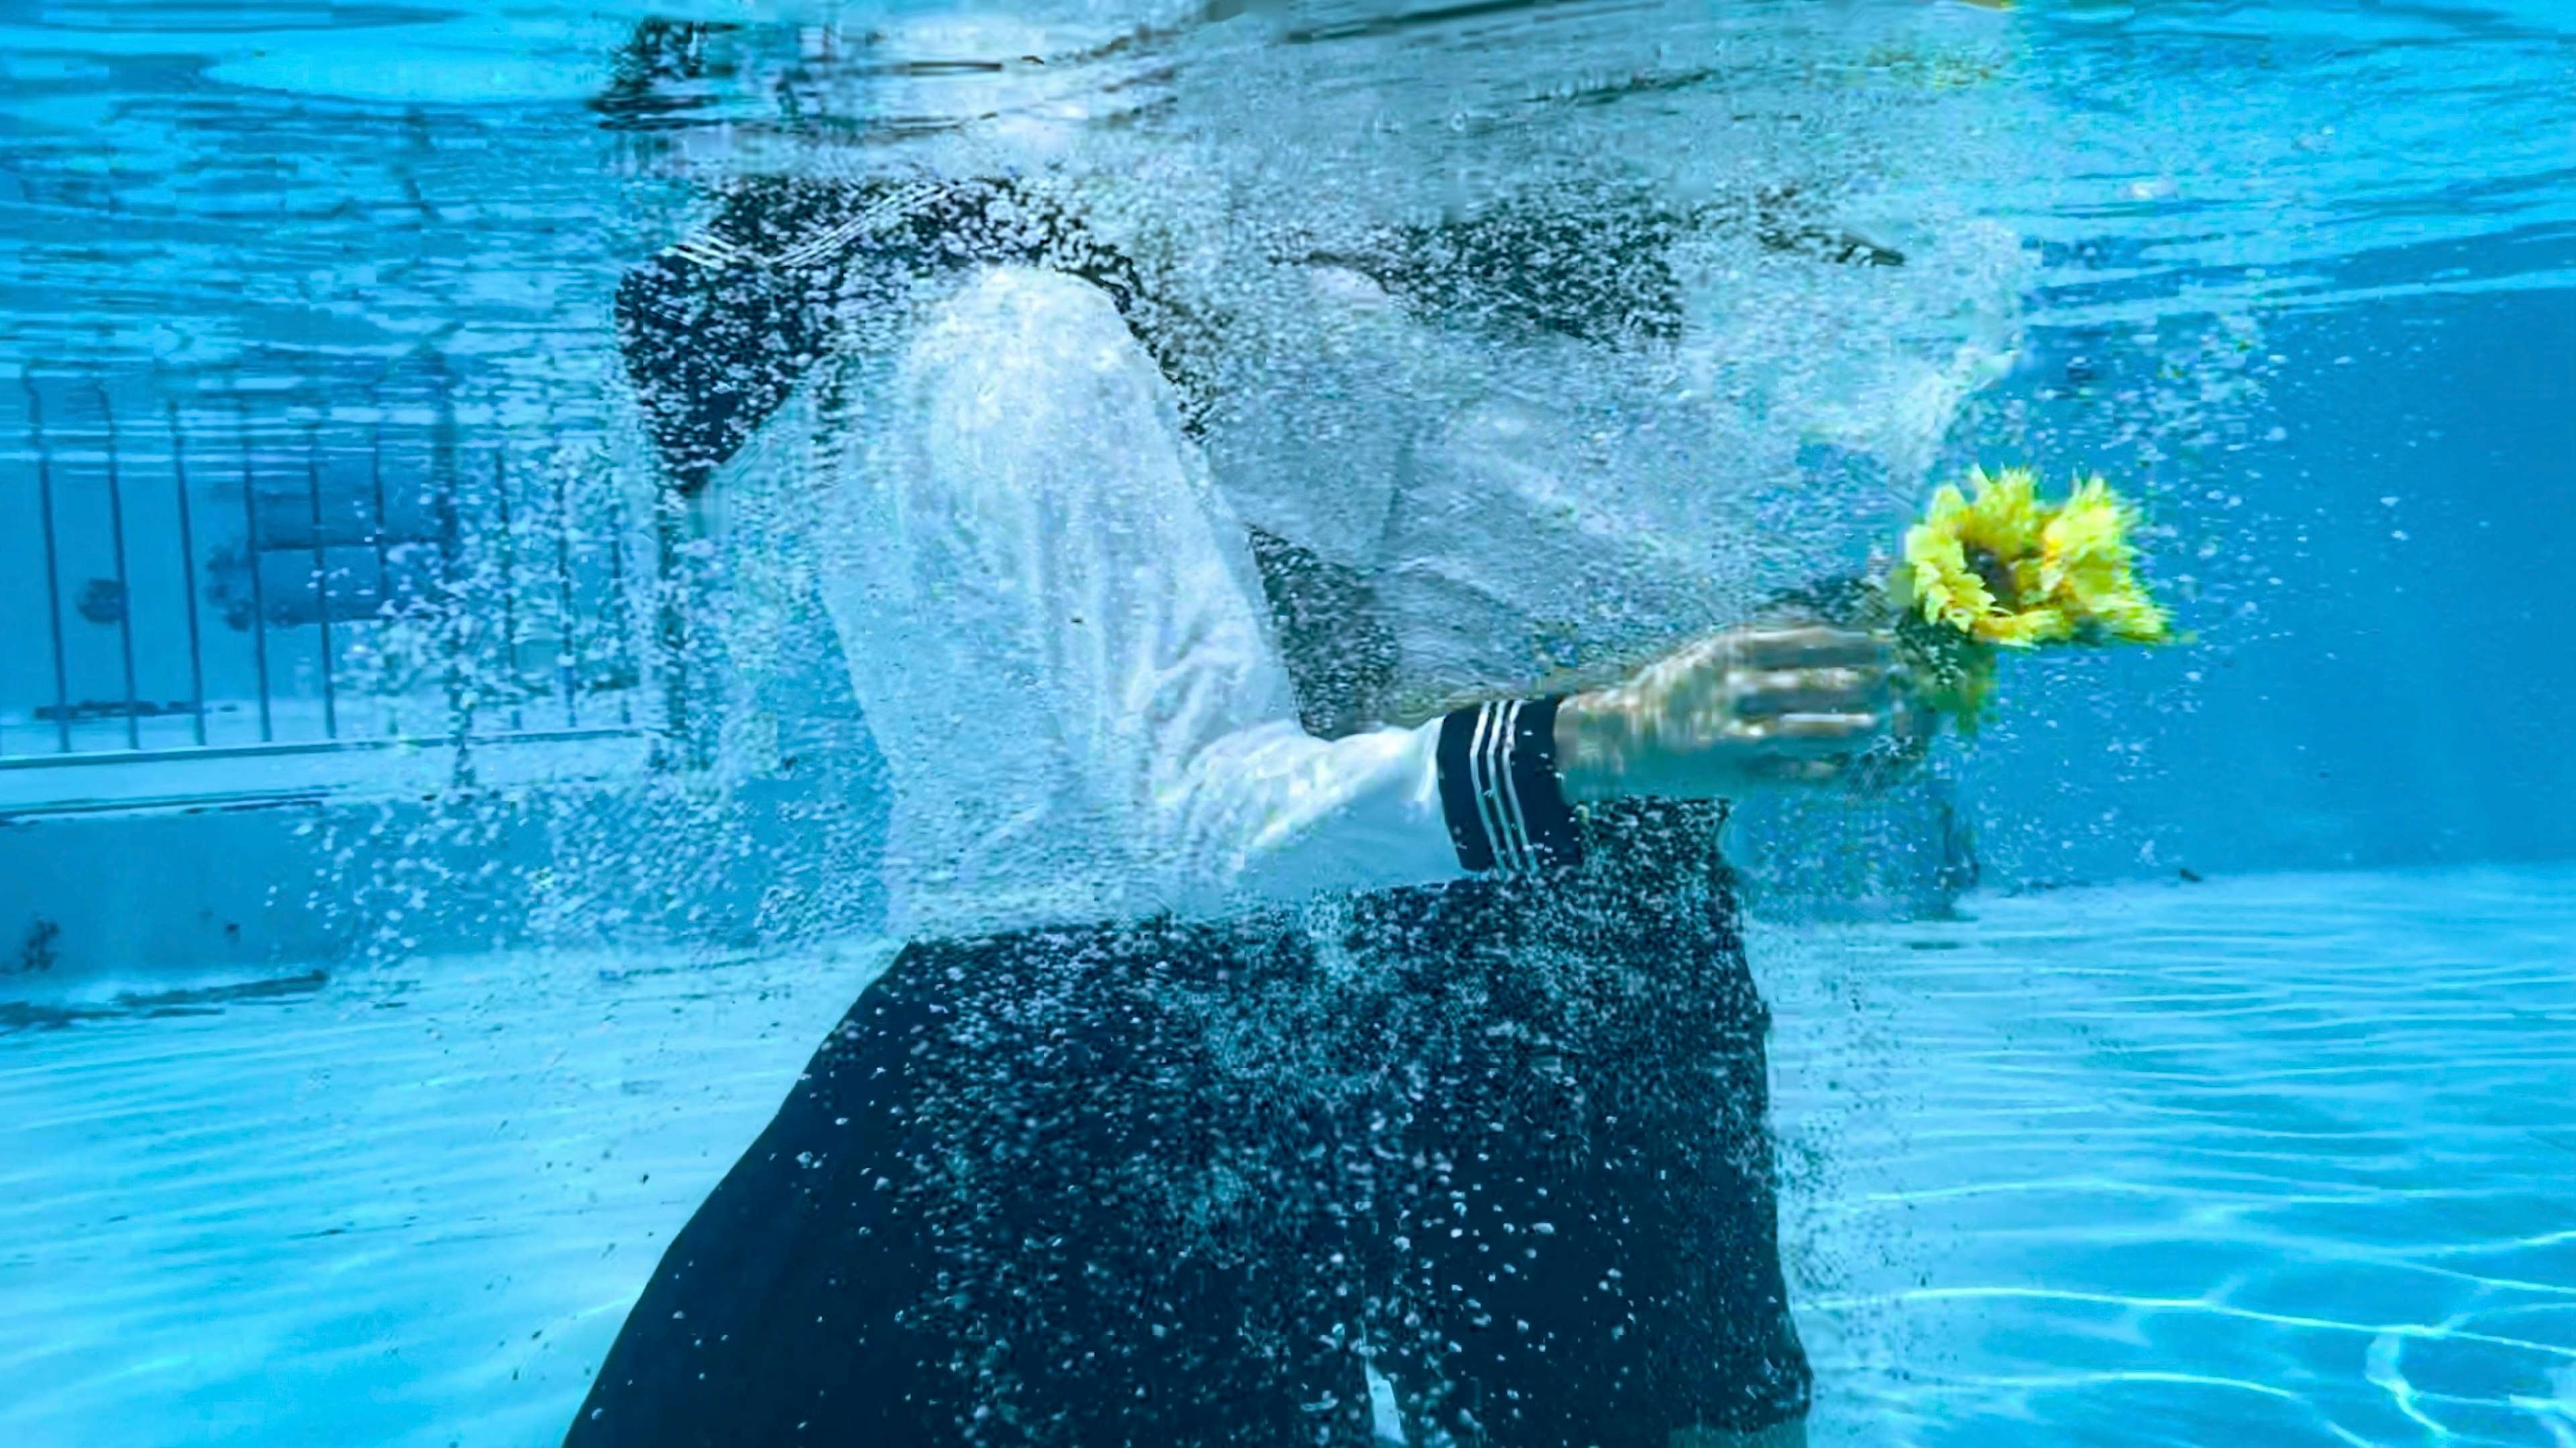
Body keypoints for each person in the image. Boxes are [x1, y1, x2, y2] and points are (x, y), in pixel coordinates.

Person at [562, 160, 1931, 1448]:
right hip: (1225, 1022)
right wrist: (1624, 731)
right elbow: (1223, 793)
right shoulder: (1100, 336)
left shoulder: (932, 346)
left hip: (1077, 1028)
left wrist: (1770, 703)